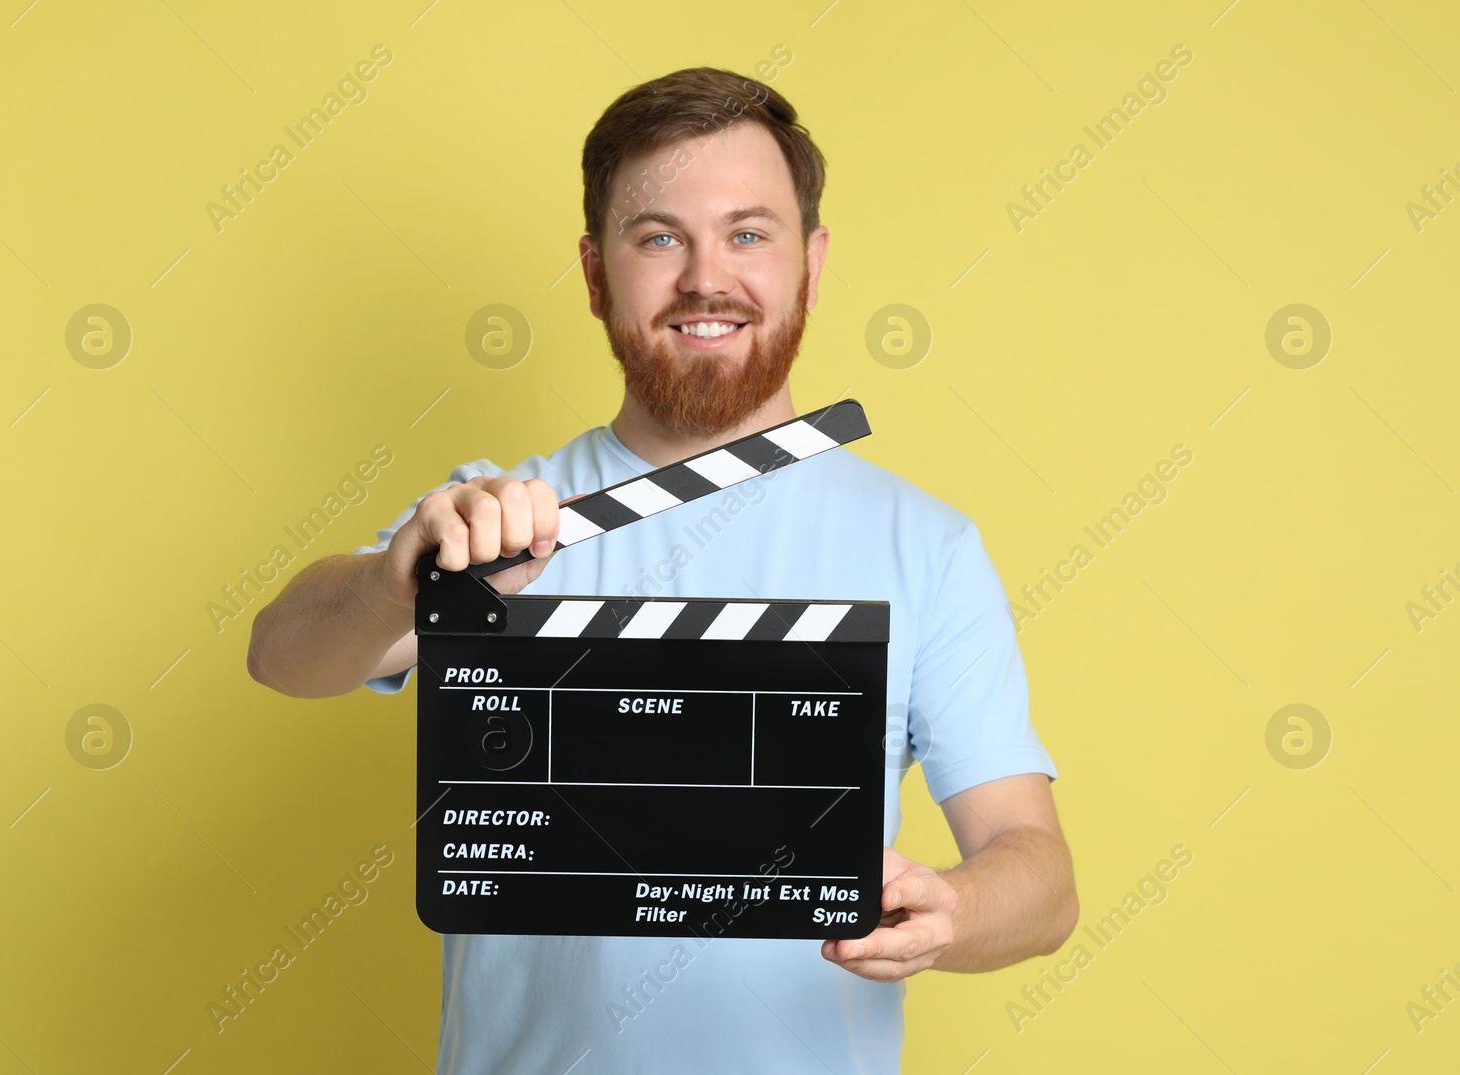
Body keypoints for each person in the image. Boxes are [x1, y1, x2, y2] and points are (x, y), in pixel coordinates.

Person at [248, 65, 1077, 1074]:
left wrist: (953, 911)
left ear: (810, 262)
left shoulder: (926, 548)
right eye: (658, 238)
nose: (703, 278)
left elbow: (1039, 879)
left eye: (747, 232)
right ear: (596, 272)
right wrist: (402, 581)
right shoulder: (493, 518)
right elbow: (282, 654)